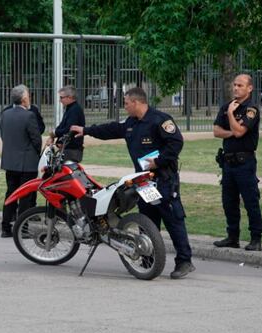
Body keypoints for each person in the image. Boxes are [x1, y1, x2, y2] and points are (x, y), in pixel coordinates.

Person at [71, 87, 196, 280]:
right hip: (143, 182)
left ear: (136, 102)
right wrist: (86, 131)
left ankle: (184, 261)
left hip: (163, 179)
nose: (125, 106)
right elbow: (111, 129)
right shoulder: (131, 123)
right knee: (147, 221)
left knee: (173, 219)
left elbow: (176, 143)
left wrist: (159, 161)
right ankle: (148, 260)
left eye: (126, 103)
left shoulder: (159, 120)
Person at [212, 73, 262, 251]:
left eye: (240, 85)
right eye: (234, 85)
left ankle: (256, 238)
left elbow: (240, 131)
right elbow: (217, 131)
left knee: (250, 200)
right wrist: (232, 128)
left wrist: (231, 116)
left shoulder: (251, 109)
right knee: (229, 201)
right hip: (228, 162)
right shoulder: (227, 106)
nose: (235, 88)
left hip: (245, 162)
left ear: (250, 88)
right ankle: (232, 236)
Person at [0, 84, 42, 238]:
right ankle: (23, 228)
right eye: (28, 96)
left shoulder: (5, 114)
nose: (29, 99)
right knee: (26, 196)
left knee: (11, 193)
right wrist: (37, 154)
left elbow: (4, 135)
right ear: (24, 99)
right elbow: (36, 140)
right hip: (27, 162)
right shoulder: (29, 116)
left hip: (10, 161)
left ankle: (5, 226)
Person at [46, 85, 86, 162]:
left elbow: (68, 129)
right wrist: (53, 135)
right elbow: (62, 126)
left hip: (72, 150)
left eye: (61, 97)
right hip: (68, 149)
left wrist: (54, 133)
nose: (60, 100)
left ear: (70, 97)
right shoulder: (70, 108)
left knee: (64, 173)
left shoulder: (75, 110)